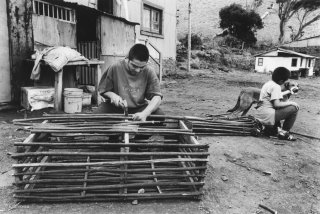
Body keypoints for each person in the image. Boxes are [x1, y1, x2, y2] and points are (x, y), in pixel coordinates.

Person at [95, 43, 164, 121]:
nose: (138, 70)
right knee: (96, 116)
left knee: (159, 116)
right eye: (134, 66)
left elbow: (157, 97)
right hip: (116, 108)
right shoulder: (115, 67)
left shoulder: (149, 71)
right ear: (127, 59)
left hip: (139, 109)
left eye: (142, 67)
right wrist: (113, 96)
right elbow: (104, 90)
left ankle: (138, 123)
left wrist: (145, 113)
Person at [255, 67, 299, 141]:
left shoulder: (268, 83)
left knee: (282, 108)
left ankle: (272, 128)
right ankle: (284, 132)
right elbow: (277, 104)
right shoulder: (276, 87)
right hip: (267, 116)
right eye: (285, 80)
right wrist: (291, 103)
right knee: (294, 108)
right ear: (281, 81)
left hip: (260, 113)